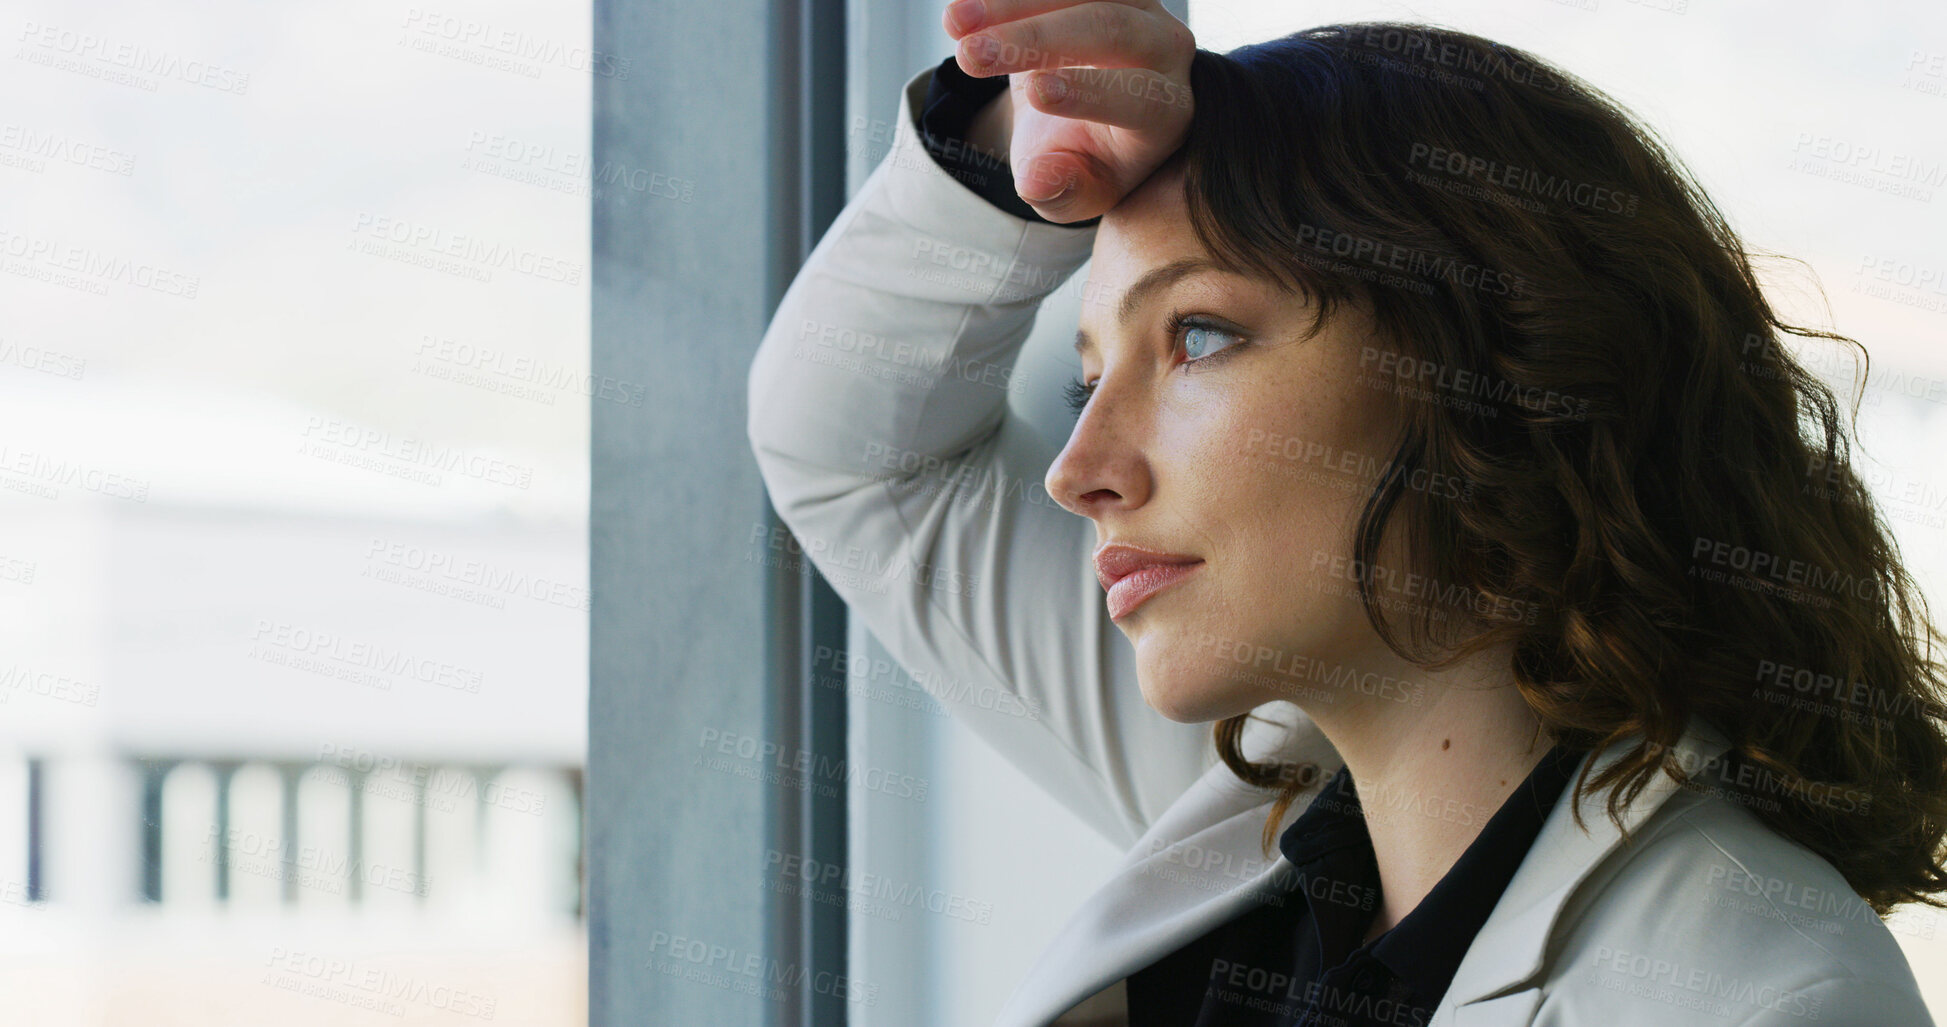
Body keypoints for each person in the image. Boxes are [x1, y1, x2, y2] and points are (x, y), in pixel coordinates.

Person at [746, 2, 1947, 1024]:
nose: (1080, 467)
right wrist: (1034, 136)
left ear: (1505, 369)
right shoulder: (1263, 794)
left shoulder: (1760, 1000)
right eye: (1086, 373)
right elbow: (857, 450)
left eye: (1199, 336)